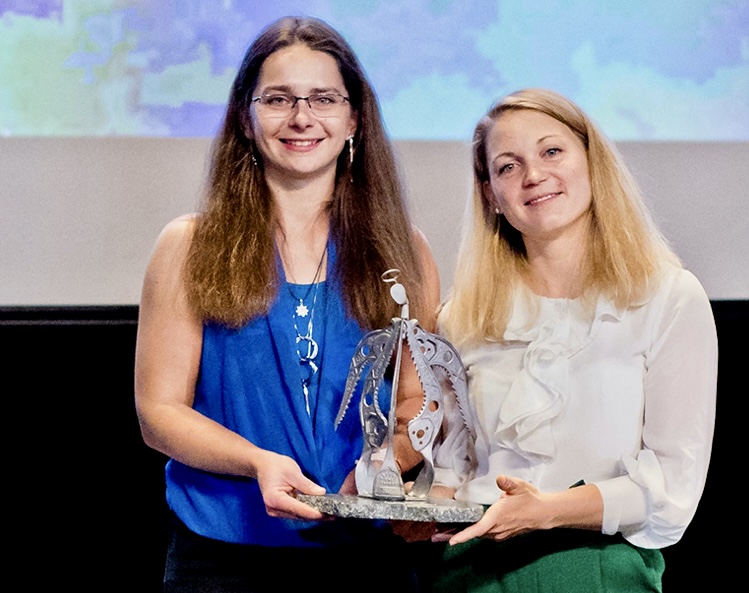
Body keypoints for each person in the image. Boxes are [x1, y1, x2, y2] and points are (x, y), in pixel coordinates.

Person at [134, 16, 440, 593]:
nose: (302, 118)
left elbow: (416, 406)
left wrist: (379, 469)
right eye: (278, 99)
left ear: (354, 118)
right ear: (246, 120)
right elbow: (160, 413)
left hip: (367, 558)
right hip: (222, 557)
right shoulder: (188, 246)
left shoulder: (406, 249)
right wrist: (258, 463)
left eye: (324, 98)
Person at [428, 88, 717, 592]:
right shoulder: (462, 318)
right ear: (490, 194)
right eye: (507, 166)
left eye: (551, 151)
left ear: (592, 164)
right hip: (472, 573)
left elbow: (672, 491)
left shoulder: (669, 298)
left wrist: (546, 512)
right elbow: (453, 468)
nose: (533, 175)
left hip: (598, 568)